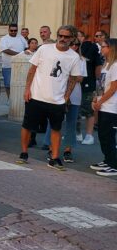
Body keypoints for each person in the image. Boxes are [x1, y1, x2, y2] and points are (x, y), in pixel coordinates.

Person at [17, 25, 82, 170]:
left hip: (57, 100)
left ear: (72, 38)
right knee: (27, 126)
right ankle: (24, 153)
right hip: (36, 96)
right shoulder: (44, 49)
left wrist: (66, 97)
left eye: (66, 37)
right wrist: (27, 89)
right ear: (57, 35)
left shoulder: (74, 57)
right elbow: (32, 70)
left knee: (56, 129)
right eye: (60, 35)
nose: (62, 39)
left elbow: (73, 79)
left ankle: (54, 158)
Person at [42, 38, 86, 163]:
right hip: (58, 94)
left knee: (71, 123)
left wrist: (69, 74)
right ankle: (51, 148)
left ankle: (68, 150)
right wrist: (71, 74)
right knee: (53, 123)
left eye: (77, 44)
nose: (74, 46)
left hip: (74, 95)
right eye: (72, 44)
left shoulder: (81, 60)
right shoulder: (58, 56)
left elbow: (80, 78)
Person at [91, 38, 117, 177]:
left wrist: (100, 102)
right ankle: (108, 160)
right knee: (103, 135)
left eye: (104, 46)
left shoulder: (116, 65)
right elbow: (101, 84)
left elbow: (113, 88)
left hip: (112, 107)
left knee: (108, 137)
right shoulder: (106, 65)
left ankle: (114, 165)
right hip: (103, 105)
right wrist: (96, 98)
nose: (101, 49)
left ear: (111, 48)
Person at [78, 30, 103, 146]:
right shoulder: (72, 47)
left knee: (89, 109)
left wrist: (97, 81)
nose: (77, 38)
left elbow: (98, 65)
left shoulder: (91, 47)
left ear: (84, 37)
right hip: (75, 83)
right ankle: (77, 133)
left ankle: (89, 135)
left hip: (89, 82)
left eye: (79, 36)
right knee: (76, 109)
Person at [0, 23, 27, 98]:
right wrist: (19, 54)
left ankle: (18, 99)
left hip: (21, 66)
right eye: (11, 30)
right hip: (8, 66)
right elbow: (5, 50)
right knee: (8, 85)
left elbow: (26, 47)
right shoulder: (4, 39)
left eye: (15, 30)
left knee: (20, 84)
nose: (13, 32)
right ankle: (10, 99)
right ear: (8, 30)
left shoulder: (21, 38)